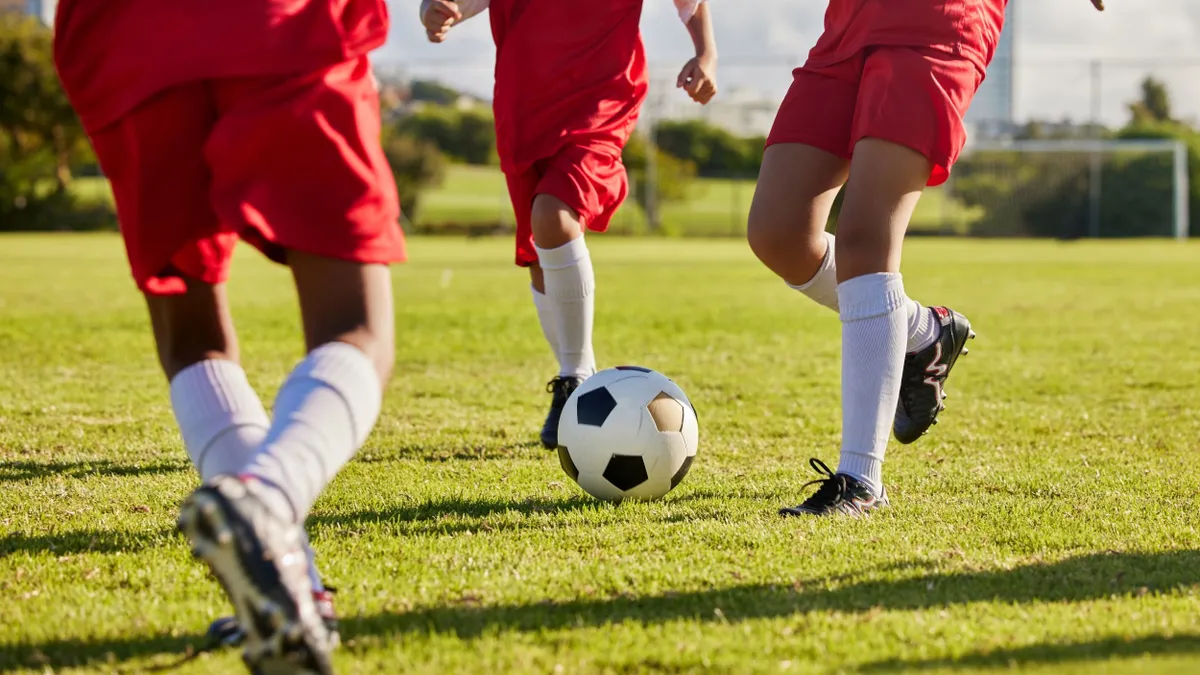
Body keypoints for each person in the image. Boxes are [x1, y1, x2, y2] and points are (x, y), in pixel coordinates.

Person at [53, 0, 404, 671]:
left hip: (120, 35)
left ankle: (289, 583)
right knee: (356, 324)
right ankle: (269, 496)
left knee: (191, 335)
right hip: (280, 20)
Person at [746, 0, 1105, 516]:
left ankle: (860, 479)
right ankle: (924, 332)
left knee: (866, 237)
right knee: (778, 232)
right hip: (850, 22)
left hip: (937, 21)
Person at [420, 0, 719, 449]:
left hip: (602, 99)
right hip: (525, 103)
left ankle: (574, 380)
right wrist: (442, 8)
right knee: (540, 256)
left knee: (554, 217)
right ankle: (583, 381)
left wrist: (706, 53)